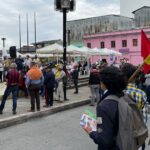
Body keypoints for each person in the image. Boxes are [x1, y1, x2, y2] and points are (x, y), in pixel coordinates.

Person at [83, 66, 127, 150]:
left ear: (105, 82)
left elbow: (104, 140)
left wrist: (91, 132)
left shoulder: (104, 105)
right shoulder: (125, 96)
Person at [121, 63, 148, 150]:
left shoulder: (116, 92)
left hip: (121, 135)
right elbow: (144, 118)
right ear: (136, 77)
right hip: (136, 134)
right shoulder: (141, 94)